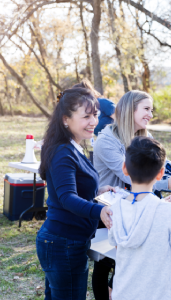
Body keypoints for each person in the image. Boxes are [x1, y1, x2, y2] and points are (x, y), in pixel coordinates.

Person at [36, 87, 114, 299]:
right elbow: (66, 198)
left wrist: (99, 191)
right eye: (86, 116)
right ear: (65, 120)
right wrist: (100, 211)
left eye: (96, 115)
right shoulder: (63, 151)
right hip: (63, 242)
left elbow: (71, 188)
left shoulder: (74, 146)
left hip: (66, 241)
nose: (93, 121)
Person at [108, 136, 171, 300]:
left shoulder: (115, 208)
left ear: (124, 168)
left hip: (123, 294)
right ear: (161, 173)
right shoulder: (170, 212)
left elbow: (121, 249)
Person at [94, 90, 171, 190]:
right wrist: (166, 184)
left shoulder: (145, 136)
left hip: (141, 200)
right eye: (146, 109)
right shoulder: (105, 141)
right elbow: (130, 176)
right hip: (114, 203)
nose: (151, 116)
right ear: (130, 109)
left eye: (151, 111)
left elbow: (163, 164)